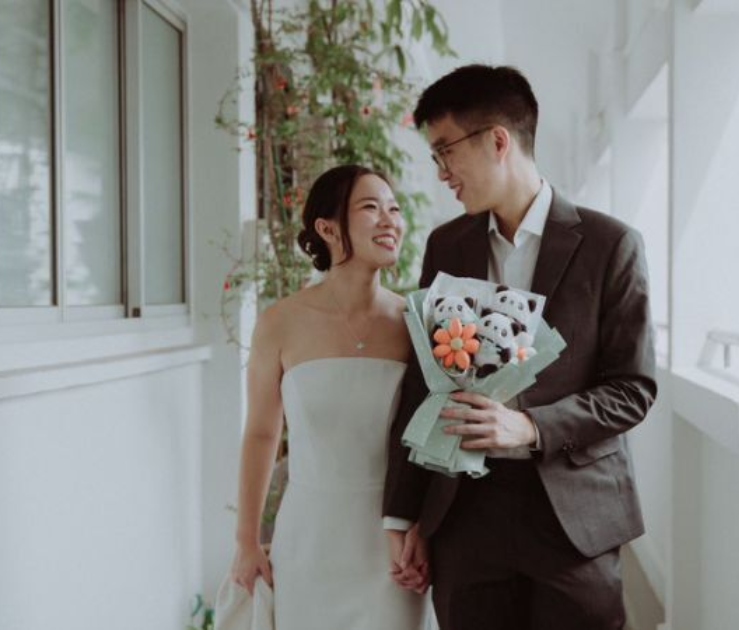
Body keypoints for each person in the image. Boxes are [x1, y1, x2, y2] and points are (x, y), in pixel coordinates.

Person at [384, 65, 657, 630]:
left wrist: (530, 427)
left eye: (445, 152)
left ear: (498, 141)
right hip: (464, 514)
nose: (441, 173)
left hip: (573, 516)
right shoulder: (446, 245)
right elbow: (422, 382)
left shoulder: (611, 245)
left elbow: (632, 389)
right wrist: (405, 513)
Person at [230, 164, 428, 630]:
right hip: (309, 540)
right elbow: (261, 434)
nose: (390, 220)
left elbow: (432, 444)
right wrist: (246, 542)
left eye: (395, 209)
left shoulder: (417, 324)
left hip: (392, 546)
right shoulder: (280, 323)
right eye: (371, 207)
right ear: (328, 228)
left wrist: (423, 529)